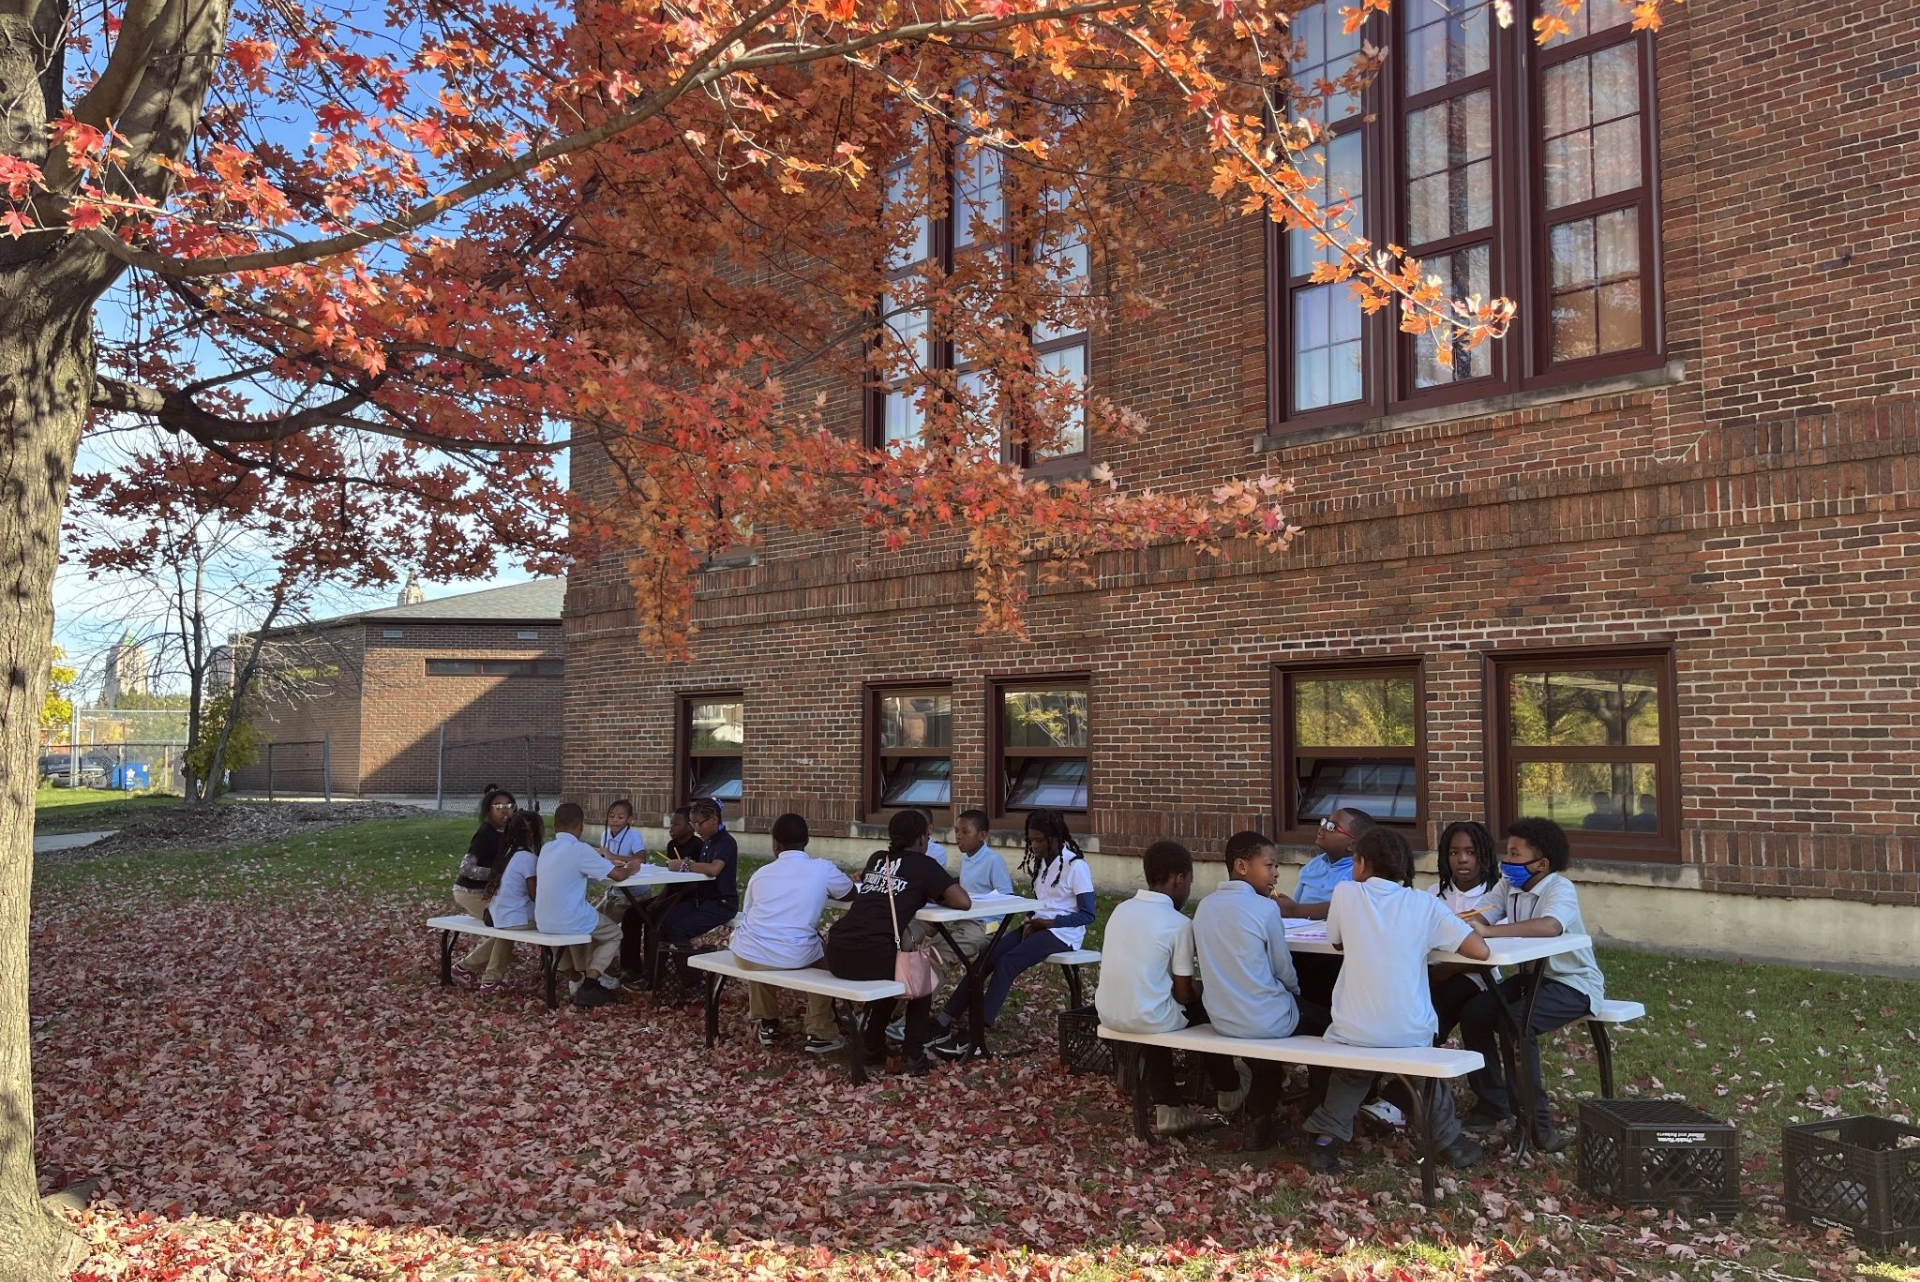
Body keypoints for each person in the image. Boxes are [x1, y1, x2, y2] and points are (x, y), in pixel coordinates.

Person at [1303, 827, 1490, 1174]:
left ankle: (1326, 1141)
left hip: (1353, 1028)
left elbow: (1337, 942)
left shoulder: (1346, 894)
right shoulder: (1424, 904)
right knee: (1425, 1076)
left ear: (1361, 863)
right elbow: (1480, 950)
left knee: (1350, 1077)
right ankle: (1449, 1143)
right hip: (1410, 1030)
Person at [1457, 817, 1607, 1151]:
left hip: (1572, 983)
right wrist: (1464, 924)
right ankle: (1493, 1103)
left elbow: (1551, 927)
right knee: (1475, 1013)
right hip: (1530, 978)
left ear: (1541, 864)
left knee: (1516, 1026)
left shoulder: (1559, 888)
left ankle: (1538, 1127)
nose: (1506, 861)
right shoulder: (1507, 886)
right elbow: (1482, 916)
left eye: (1514, 854)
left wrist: (1490, 932)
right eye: (1506, 852)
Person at [1099, 839, 1248, 1139]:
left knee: (1153, 1011)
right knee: (1213, 1004)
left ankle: (1169, 1105)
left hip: (1108, 1011)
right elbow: (1183, 995)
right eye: (1190, 882)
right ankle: (1229, 1088)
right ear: (1179, 879)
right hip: (1148, 1017)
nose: (1189, 890)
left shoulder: (1121, 910)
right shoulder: (1178, 923)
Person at [1193, 831, 1329, 1150]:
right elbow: (1283, 971)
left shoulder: (1205, 907)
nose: (1276, 873)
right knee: (1330, 1027)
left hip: (1223, 1018)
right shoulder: (1265, 909)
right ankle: (1318, 1112)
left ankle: (1261, 1123)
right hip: (1266, 1019)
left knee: (1264, 1046)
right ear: (1241, 865)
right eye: (1269, 865)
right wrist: (1294, 995)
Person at [929, 808, 1096, 1056]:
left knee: (1007, 963)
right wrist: (1031, 919)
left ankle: (976, 1034)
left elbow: (1088, 915)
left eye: (1039, 840)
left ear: (1055, 838)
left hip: (1062, 933)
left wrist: (1047, 924)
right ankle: (942, 1020)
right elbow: (1043, 902)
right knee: (986, 959)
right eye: (1031, 839)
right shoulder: (1042, 864)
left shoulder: (1076, 866)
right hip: (1037, 926)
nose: (1033, 845)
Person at [825, 809, 971, 1075]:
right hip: (871, 954)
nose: (927, 842)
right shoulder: (924, 864)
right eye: (927, 836)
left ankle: (872, 1046)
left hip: (838, 951)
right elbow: (963, 901)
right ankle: (912, 1055)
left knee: (895, 969)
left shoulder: (877, 859)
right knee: (919, 976)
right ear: (919, 839)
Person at [731, 812, 855, 1053]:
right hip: (794, 953)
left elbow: (749, 915)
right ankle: (820, 1031)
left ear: (775, 845)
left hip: (747, 952)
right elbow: (850, 893)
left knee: (760, 943)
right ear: (807, 841)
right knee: (828, 960)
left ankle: (768, 1022)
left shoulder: (761, 873)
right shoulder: (821, 869)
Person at [536, 801, 645, 1007]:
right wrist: (632, 867)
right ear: (581, 827)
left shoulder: (547, 848)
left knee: (592, 924)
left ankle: (582, 977)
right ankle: (591, 982)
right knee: (614, 934)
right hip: (570, 918)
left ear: (555, 826)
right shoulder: (580, 849)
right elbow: (619, 875)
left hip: (543, 919)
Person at [1279, 806, 1375, 1009]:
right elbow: (1295, 908)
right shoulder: (1312, 866)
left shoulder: (1359, 870)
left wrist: (1296, 910)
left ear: (1352, 844)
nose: (1322, 827)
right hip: (1300, 942)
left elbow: (1350, 906)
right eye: (1324, 822)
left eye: (1333, 827)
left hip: (1333, 949)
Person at [658, 798, 740, 987]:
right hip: (702, 900)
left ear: (713, 820)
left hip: (721, 903)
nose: (696, 829)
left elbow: (714, 869)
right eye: (693, 823)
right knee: (663, 922)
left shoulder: (726, 843)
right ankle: (660, 975)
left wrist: (685, 865)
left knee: (678, 930)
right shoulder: (708, 842)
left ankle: (694, 984)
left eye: (699, 823)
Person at [450, 786, 517, 988]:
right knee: (508, 925)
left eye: (509, 806)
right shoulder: (486, 832)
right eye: (499, 807)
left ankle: (469, 970)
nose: (505, 811)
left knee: (511, 923)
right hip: (470, 892)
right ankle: (484, 976)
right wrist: (496, 873)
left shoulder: (508, 832)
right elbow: (466, 868)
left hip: (490, 893)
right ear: (489, 811)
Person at [626, 805, 702, 978]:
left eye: (676, 824)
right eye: (671, 823)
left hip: (688, 898)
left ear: (690, 826)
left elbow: (694, 885)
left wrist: (661, 903)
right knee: (632, 914)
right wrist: (659, 899)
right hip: (671, 895)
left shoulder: (699, 847)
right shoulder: (672, 845)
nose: (671, 828)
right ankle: (631, 968)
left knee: (656, 920)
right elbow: (670, 882)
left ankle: (653, 973)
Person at [478, 811, 545, 994]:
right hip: (516, 917)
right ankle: (569, 971)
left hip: (499, 914)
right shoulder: (529, 859)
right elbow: (534, 895)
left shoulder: (508, 853)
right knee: (559, 920)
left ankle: (479, 974)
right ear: (531, 834)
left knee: (505, 935)